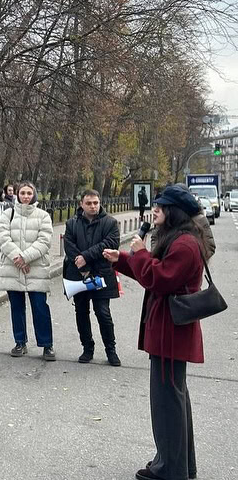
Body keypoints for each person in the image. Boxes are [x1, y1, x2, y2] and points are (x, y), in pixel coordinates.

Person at [103, 185, 204, 480]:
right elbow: (154, 272)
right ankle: (181, 465)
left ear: (174, 211)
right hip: (169, 330)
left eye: (161, 206)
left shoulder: (185, 245)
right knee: (174, 399)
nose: (155, 209)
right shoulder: (179, 240)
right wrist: (121, 260)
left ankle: (171, 470)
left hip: (172, 332)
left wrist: (140, 252)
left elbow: (159, 279)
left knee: (167, 404)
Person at [0, 181, 55, 361]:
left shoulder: (43, 215)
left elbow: (44, 241)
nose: (26, 196)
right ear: (17, 194)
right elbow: (2, 237)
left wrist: (25, 258)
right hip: (12, 267)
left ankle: (47, 344)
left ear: (34, 195)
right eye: (23, 193)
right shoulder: (7, 214)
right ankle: (20, 341)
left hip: (35, 266)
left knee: (40, 306)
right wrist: (17, 258)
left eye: (29, 193)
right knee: (16, 307)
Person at [63, 190, 121, 366]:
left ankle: (111, 350)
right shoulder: (72, 223)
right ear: (81, 204)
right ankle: (87, 348)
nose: (93, 206)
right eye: (89, 203)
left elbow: (110, 244)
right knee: (81, 312)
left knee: (103, 313)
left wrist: (86, 257)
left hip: (102, 274)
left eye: (96, 202)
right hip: (78, 274)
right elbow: (69, 246)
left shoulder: (110, 222)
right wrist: (83, 265)